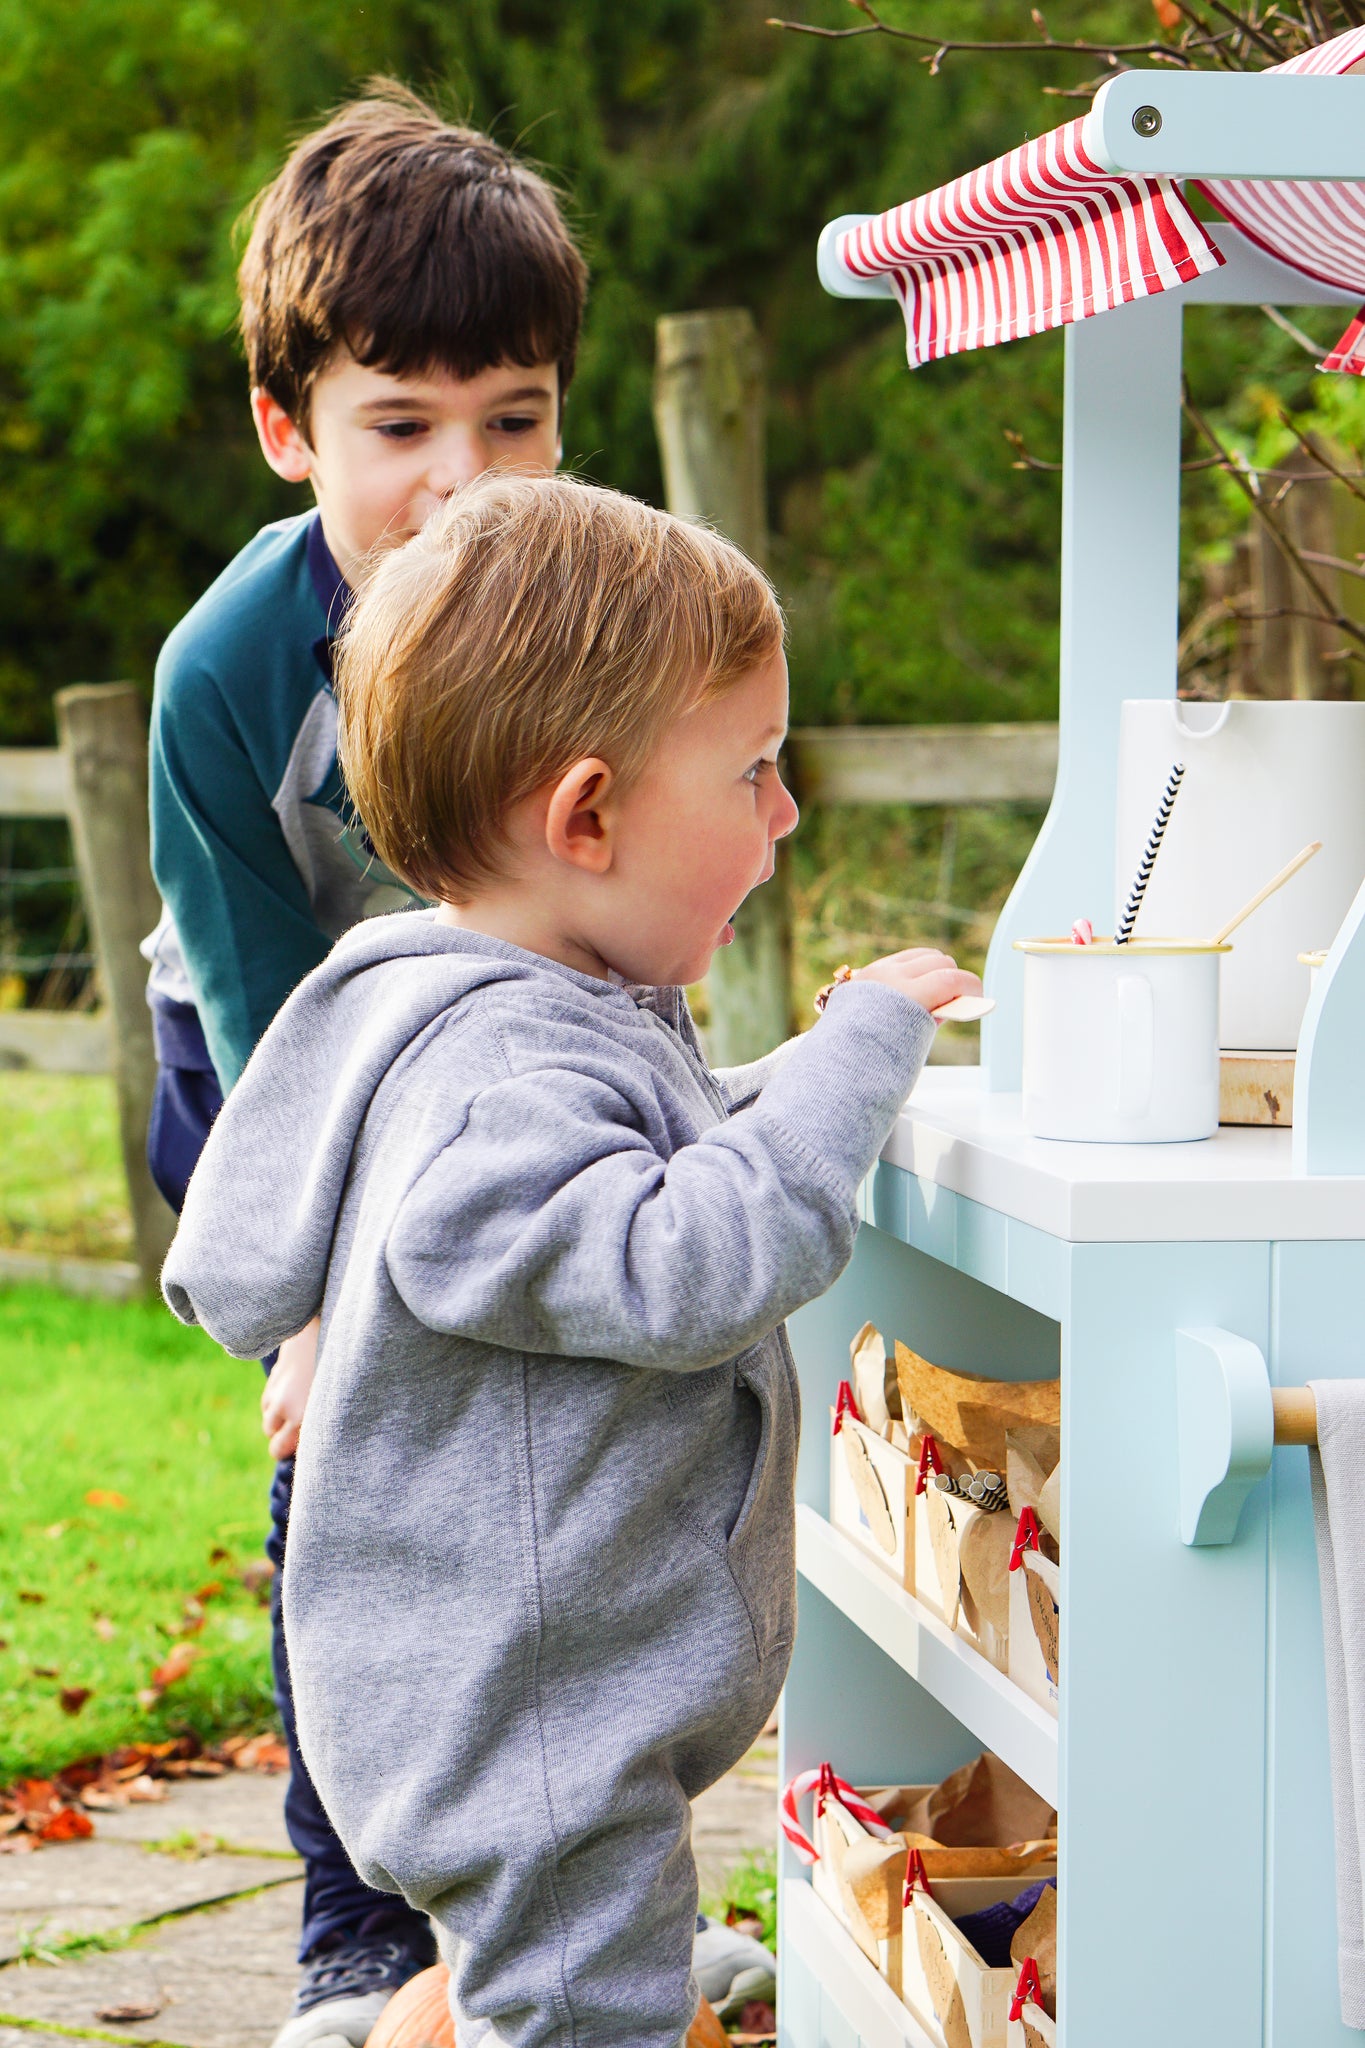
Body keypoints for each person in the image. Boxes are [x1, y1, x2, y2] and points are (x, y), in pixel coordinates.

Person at [161, 475, 982, 2048]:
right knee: (579, 2012)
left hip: (534, 1682)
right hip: (526, 1717)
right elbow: (687, 1260)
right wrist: (856, 1051)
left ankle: (421, 2025)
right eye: (751, 772)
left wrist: (777, 1088)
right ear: (586, 816)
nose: (787, 810)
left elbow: (650, 1153)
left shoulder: (524, 1007)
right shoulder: (499, 1074)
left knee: (531, 1980)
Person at [143, 85, 592, 2048]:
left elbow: (644, 908)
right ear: (287, 428)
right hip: (275, 1091)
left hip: (500, 1075)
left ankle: (560, 1912)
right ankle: (351, 1937)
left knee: (568, 1488)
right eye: (396, 427)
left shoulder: (599, 611)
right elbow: (256, 1021)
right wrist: (312, 1311)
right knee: (353, 1495)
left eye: (514, 417)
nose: (463, 476)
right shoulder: (229, 670)